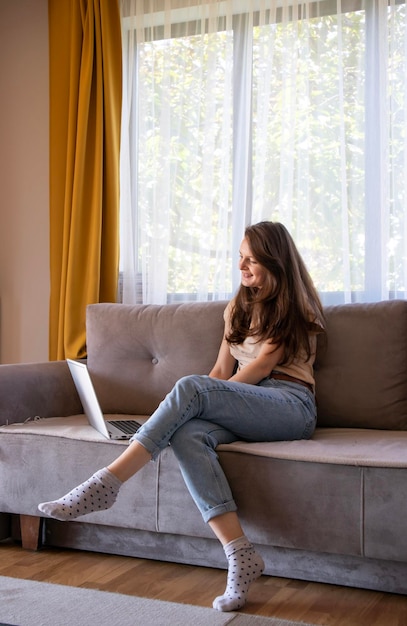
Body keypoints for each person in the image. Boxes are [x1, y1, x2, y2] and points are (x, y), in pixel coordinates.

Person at [39, 221, 325, 612]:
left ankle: (105, 484)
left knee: (193, 389)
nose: (241, 268)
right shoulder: (236, 308)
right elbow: (220, 374)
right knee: (187, 433)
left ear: (275, 264)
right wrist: (190, 406)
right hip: (248, 402)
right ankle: (240, 556)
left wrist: (205, 395)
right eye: (239, 258)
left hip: (290, 406)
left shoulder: (297, 307)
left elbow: (257, 369)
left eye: (251, 261)